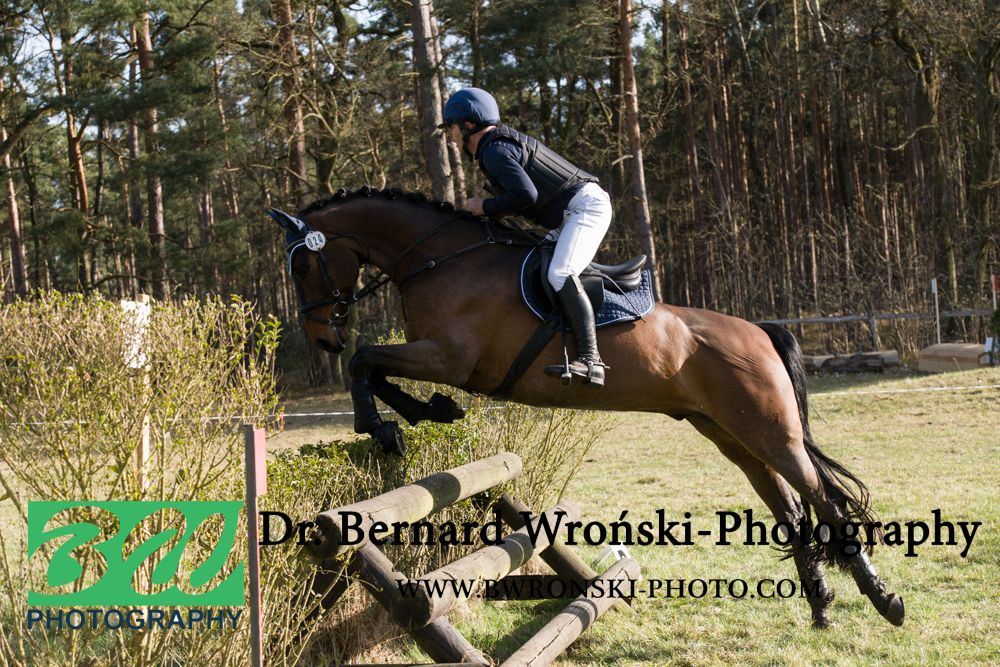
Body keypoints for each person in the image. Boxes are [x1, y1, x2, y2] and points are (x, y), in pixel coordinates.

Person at [439, 88, 612, 387]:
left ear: (468, 126)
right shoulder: (496, 147)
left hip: (585, 208)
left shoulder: (494, 151)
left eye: (451, 127)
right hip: (569, 212)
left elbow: (525, 195)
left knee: (560, 273)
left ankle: (591, 359)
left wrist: (485, 206)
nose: (449, 135)